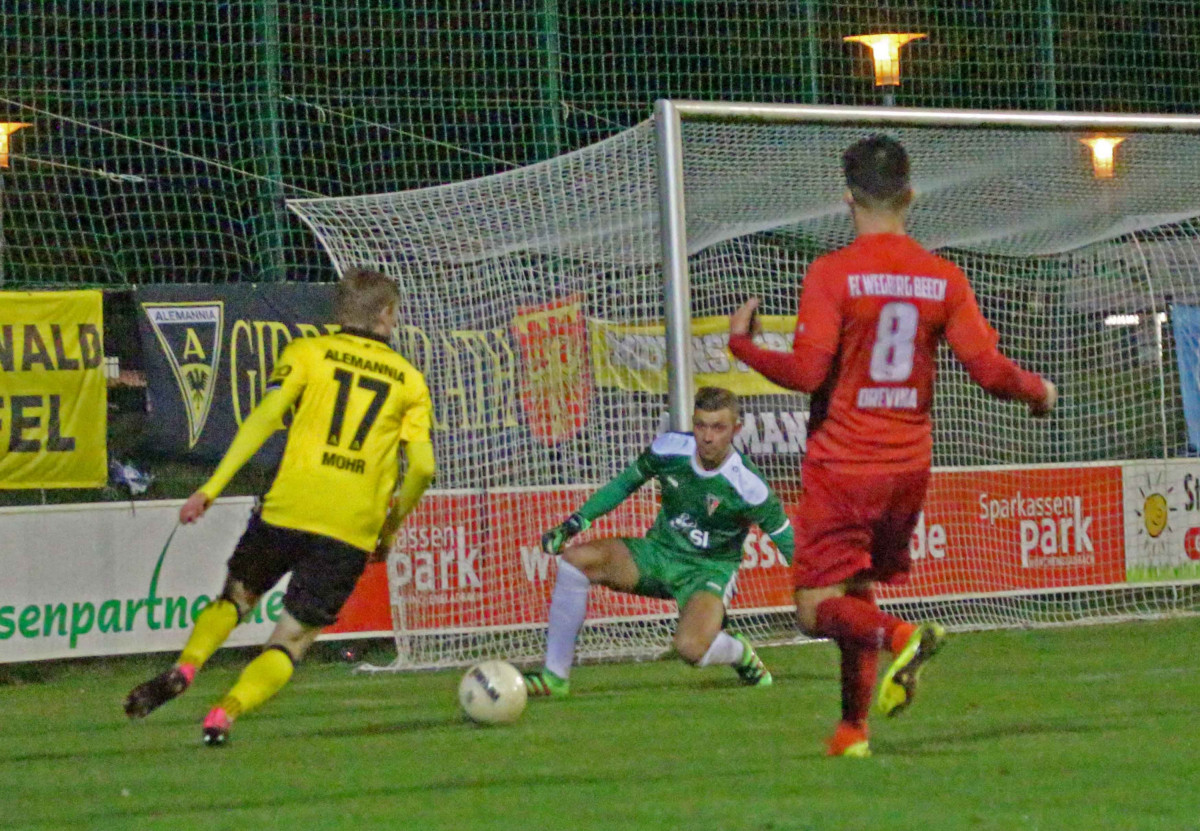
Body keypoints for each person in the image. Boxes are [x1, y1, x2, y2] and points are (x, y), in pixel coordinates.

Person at [728, 135, 1056, 758]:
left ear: (847, 197)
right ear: (911, 195)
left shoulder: (833, 274)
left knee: (814, 609)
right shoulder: (942, 277)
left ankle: (903, 635)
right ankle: (852, 731)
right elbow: (989, 372)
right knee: (854, 590)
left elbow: (807, 372)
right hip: (908, 469)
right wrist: (1037, 390)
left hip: (844, 464)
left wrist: (742, 347)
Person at [124, 268, 436, 747]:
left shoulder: (306, 353)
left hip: (289, 505)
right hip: (351, 526)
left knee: (235, 599)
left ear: (339, 310)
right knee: (290, 640)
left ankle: (186, 667)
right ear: (387, 314)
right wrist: (389, 529)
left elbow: (265, 418)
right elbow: (422, 469)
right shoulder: (409, 381)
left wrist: (211, 488)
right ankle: (223, 714)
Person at [524, 386, 794, 697]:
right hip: (657, 554)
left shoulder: (750, 486)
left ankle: (739, 652)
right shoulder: (670, 449)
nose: (707, 437)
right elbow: (625, 483)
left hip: (708, 572)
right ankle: (554, 678)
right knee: (576, 561)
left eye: (718, 427)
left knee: (690, 648)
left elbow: (789, 544)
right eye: (701, 425)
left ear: (736, 429)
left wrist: (821, 591)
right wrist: (576, 522)